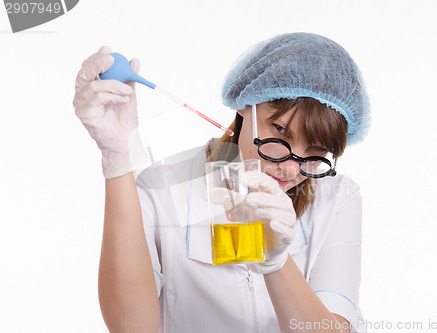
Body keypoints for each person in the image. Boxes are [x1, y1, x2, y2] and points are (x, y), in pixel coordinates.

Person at [73, 32, 371, 333]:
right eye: (280, 132)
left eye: (316, 152)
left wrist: (276, 262)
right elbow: (131, 328)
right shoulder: (161, 188)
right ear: (246, 103)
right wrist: (118, 160)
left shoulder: (338, 199)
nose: (291, 169)